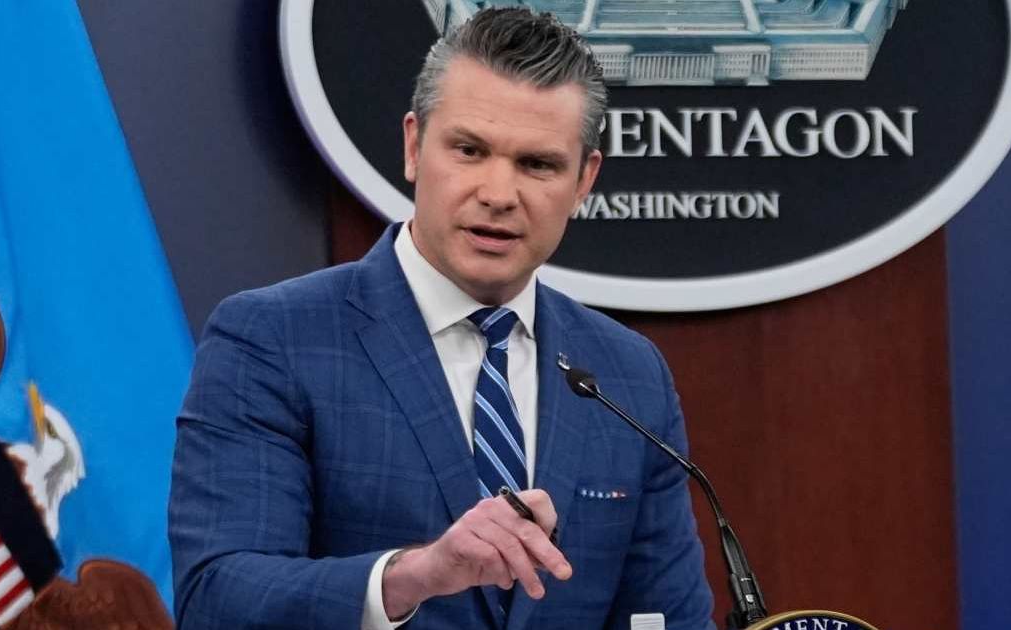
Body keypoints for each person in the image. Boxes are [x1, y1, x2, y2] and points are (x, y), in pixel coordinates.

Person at [169, 7, 714, 629]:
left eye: (537, 164)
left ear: (584, 178)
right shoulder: (274, 339)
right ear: (413, 145)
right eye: (469, 150)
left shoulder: (627, 373)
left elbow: (666, 618)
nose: (499, 193)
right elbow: (217, 599)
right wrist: (414, 576)